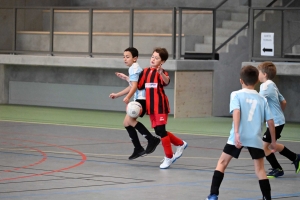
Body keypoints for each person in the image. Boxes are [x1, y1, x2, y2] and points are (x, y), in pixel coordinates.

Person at [206, 65, 277, 200]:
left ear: (241, 81)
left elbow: (237, 112)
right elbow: (271, 122)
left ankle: (213, 194)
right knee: (260, 170)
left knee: (222, 163)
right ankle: (267, 197)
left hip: (237, 136)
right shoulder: (262, 99)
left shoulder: (236, 94)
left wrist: (237, 133)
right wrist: (273, 142)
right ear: (257, 80)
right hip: (255, 138)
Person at [137, 47, 187, 169]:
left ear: (162, 61)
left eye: (157, 58)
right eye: (152, 56)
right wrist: (128, 79)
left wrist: (160, 73)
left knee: (161, 130)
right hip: (150, 106)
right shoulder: (145, 72)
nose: (153, 59)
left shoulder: (162, 72)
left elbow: (166, 81)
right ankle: (180, 143)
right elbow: (139, 86)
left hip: (160, 106)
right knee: (159, 131)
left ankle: (169, 157)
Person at [109, 47, 160, 160]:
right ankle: (138, 148)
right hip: (141, 98)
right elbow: (132, 85)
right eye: (124, 57)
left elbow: (135, 86)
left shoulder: (133, 68)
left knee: (130, 121)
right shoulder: (135, 68)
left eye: (128, 57)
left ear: (135, 58)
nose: (125, 59)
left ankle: (151, 139)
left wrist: (127, 97)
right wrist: (118, 94)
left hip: (142, 99)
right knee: (126, 123)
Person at [258, 61, 300, 178]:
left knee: (263, 146)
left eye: (259, 72)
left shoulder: (265, 86)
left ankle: (277, 169)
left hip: (275, 122)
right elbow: (284, 101)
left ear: (265, 74)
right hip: (278, 120)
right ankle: (295, 157)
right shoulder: (273, 85)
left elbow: (257, 101)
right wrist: (279, 113)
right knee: (271, 145)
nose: (258, 74)